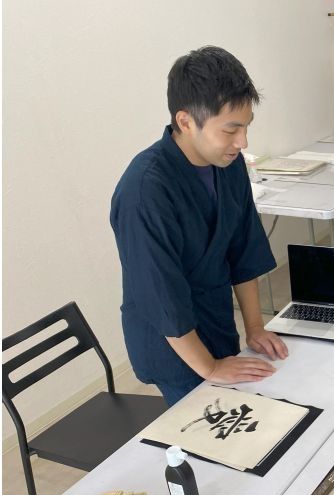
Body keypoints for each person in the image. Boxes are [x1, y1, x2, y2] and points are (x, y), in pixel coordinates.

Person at [110, 46, 288, 406]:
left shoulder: (228, 165)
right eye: (231, 130)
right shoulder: (145, 191)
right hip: (171, 344)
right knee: (208, 431)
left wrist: (254, 328)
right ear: (186, 121)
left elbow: (243, 249)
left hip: (215, 321)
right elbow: (161, 296)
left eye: (246, 127)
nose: (243, 142)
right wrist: (208, 367)